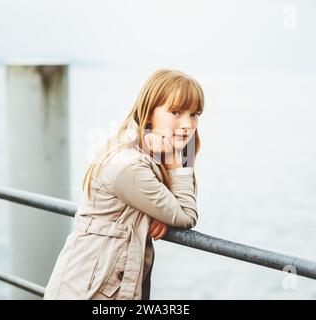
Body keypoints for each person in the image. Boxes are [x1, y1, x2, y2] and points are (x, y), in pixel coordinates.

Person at [43, 68, 205, 300]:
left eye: (194, 114)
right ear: (149, 113)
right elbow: (187, 215)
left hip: (97, 284)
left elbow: (174, 209)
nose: (187, 124)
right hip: (88, 290)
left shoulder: (140, 148)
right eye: (176, 112)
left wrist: (160, 211)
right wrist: (175, 165)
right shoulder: (130, 165)